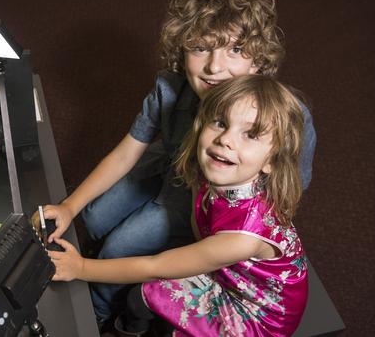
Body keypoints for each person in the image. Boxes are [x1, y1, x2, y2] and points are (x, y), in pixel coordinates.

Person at [38, 0, 316, 322]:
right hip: (171, 163)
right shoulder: (170, 89)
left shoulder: (289, 118)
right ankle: (107, 266)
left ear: (258, 61)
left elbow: (287, 192)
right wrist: (68, 206)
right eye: (201, 47)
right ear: (182, 51)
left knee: (118, 247)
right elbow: (127, 151)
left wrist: (217, 246)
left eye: (236, 50)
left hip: (217, 197)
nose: (215, 67)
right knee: (93, 217)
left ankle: (102, 311)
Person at [49, 74, 309, 336]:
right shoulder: (216, 172)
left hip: (256, 315)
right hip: (231, 274)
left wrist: (80, 268)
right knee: (141, 292)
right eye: (220, 122)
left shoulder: (244, 238)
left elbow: (155, 267)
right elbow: (201, 225)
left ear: (272, 162)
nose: (225, 139)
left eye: (250, 134)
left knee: (145, 295)